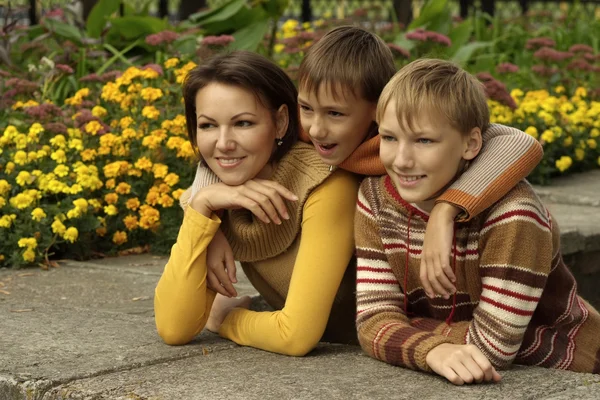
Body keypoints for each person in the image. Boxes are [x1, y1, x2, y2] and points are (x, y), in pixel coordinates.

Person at [354, 58, 600, 385]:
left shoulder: (514, 214)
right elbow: (373, 319)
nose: (401, 160)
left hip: (567, 369)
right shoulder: (375, 197)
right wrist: (432, 350)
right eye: (389, 138)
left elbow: (492, 349)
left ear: (470, 144)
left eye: (424, 140)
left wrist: (406, 328)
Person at [155, 50, 361, 356]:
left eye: (243, 123)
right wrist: (201, 209)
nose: (223, 143)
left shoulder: (325, 187)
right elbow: (174, 328)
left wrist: (224, 318)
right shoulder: (219, 192)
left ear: (280, 122)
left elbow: (295, 336)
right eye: (208, 125)